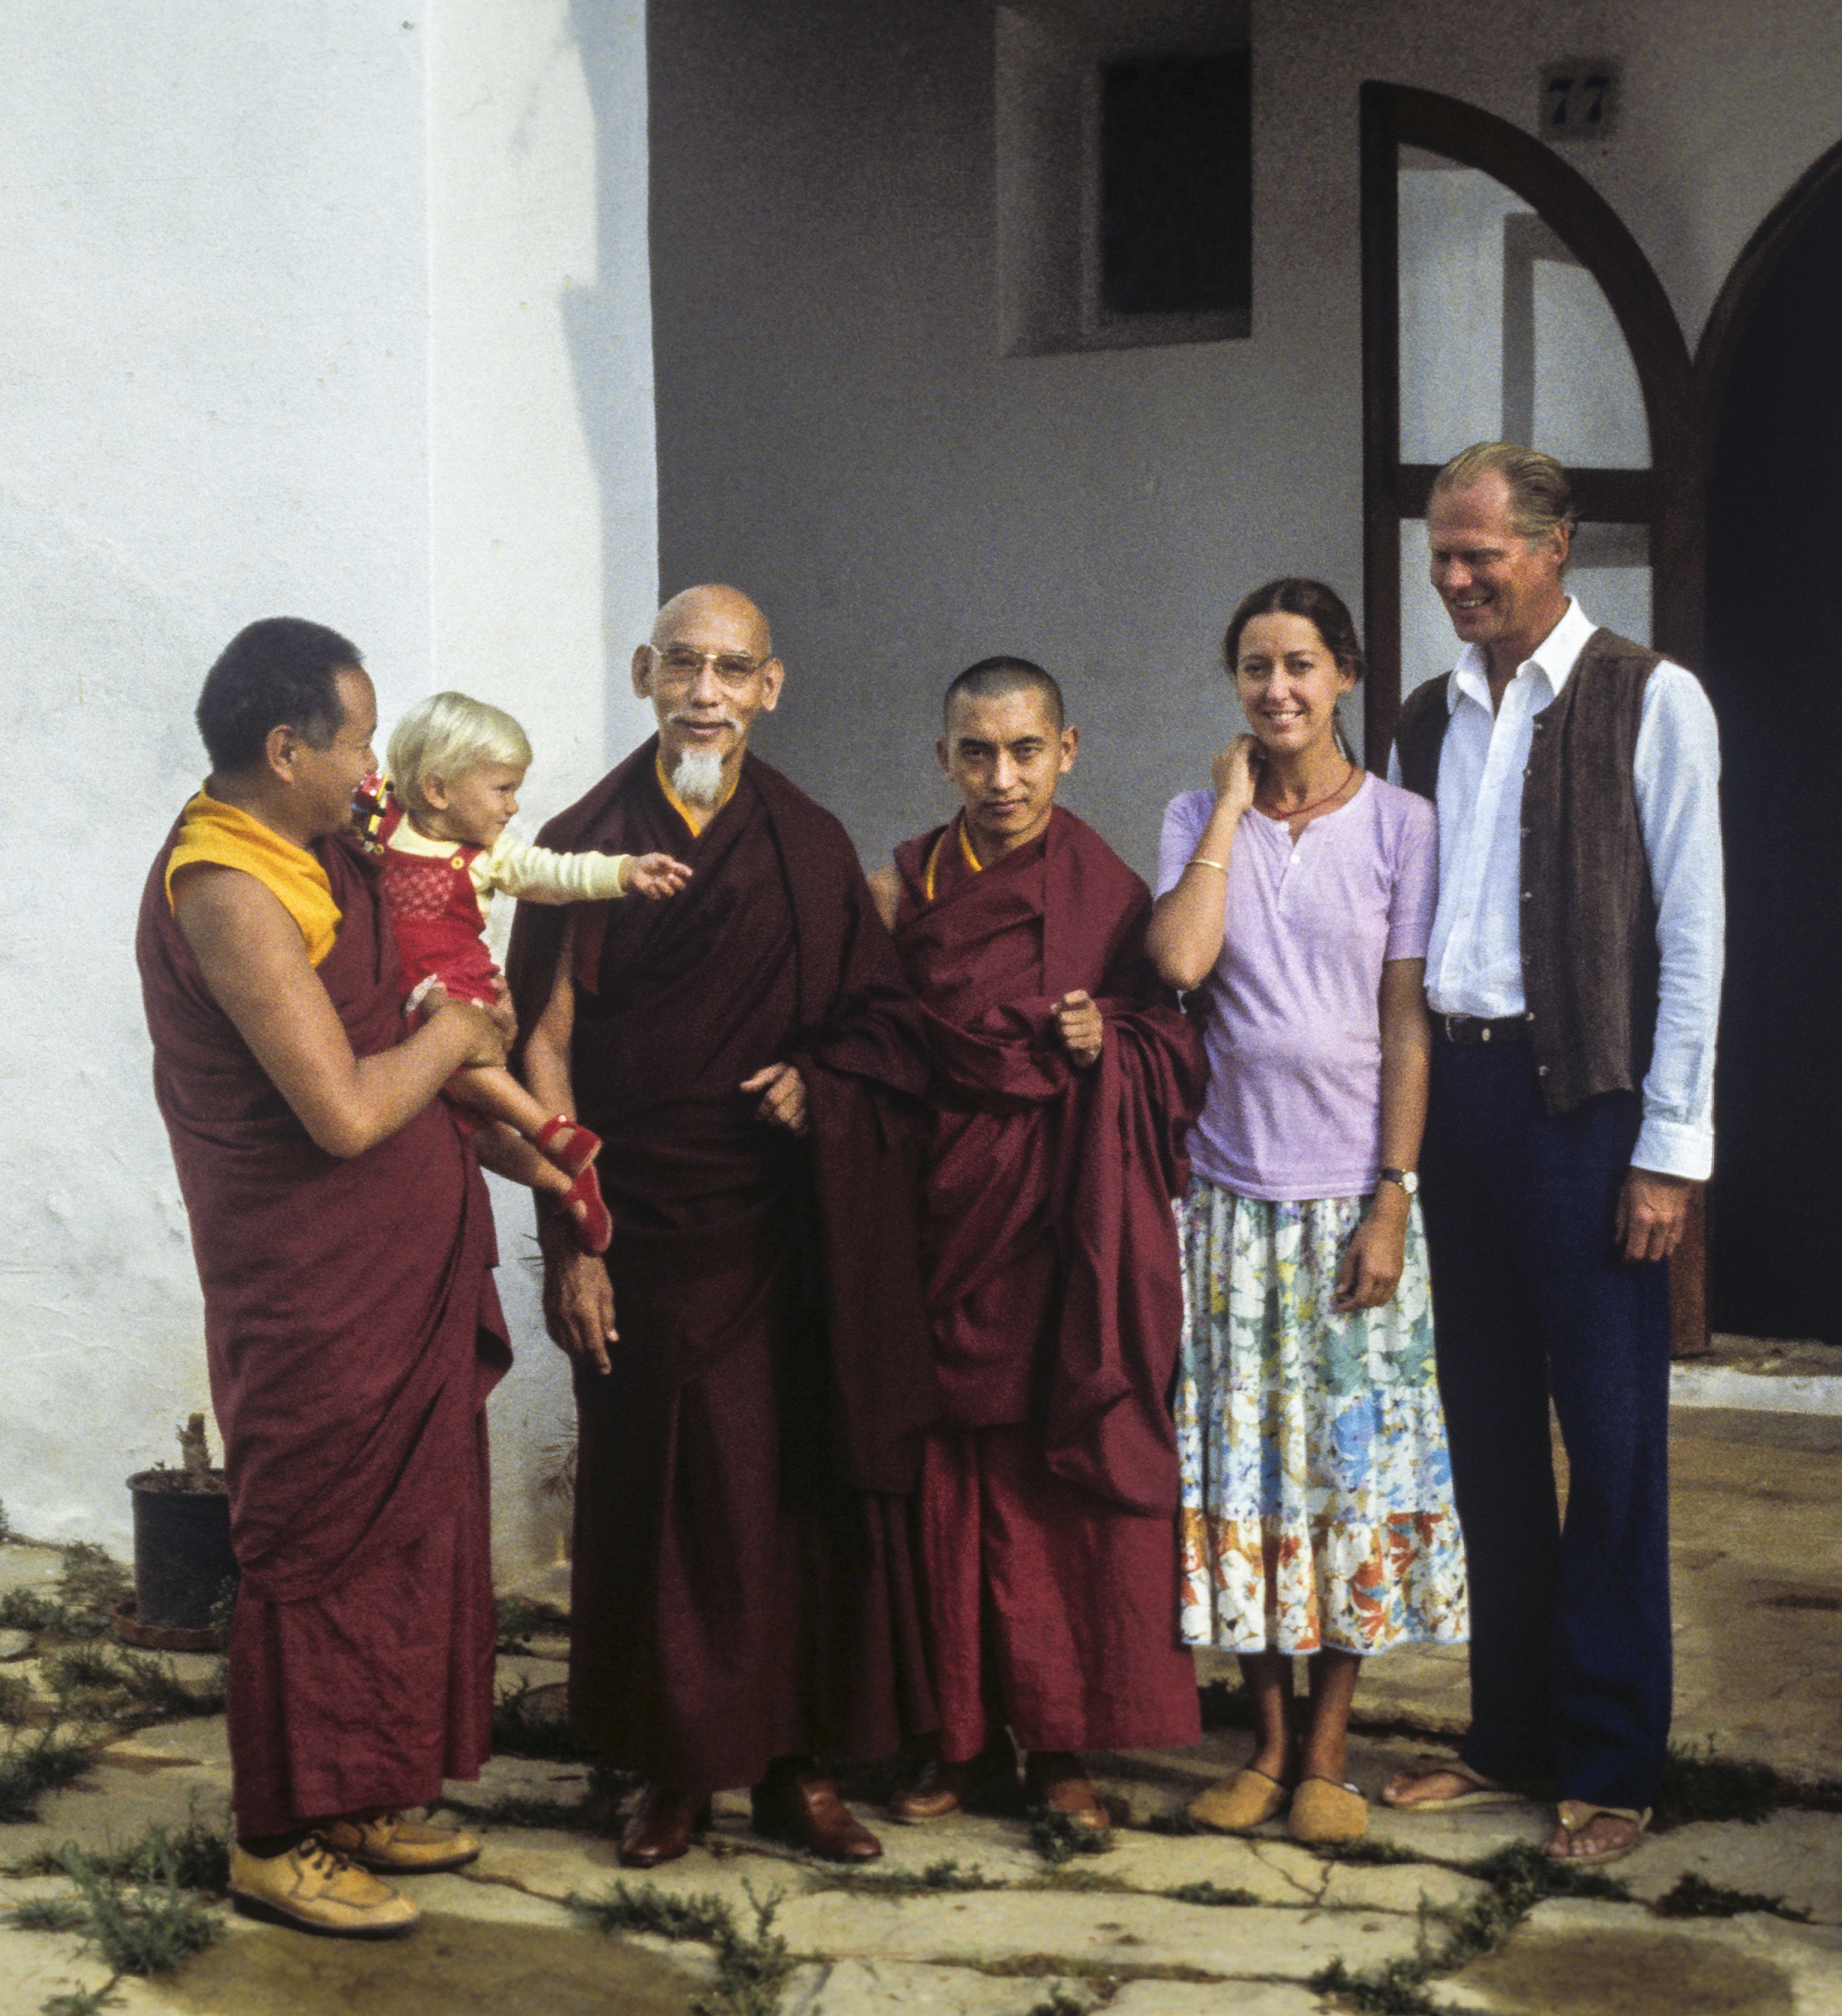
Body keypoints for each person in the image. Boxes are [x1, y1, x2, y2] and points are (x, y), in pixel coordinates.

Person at [504, 584, 941, 1869]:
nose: (705, 690)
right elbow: (543, 1046)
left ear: (771, 684)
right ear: (644, 671)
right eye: (682, 664)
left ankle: (794, 1767)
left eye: (731, 668)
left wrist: (825, 1082)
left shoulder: (805, 842)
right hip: (638, 1221)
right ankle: (671, 1769)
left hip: (778, 1221)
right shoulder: (583, 840)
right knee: (656, 1497)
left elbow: (877, 1021)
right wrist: (575, 1241)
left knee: (786, 1495)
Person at [136, 619, 514, 1938]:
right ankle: (276, 1833)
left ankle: (360, 1790)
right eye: (355, 740)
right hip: (315, 1278)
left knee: (404, 1536)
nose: (374, 766)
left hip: (394, 1259)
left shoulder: (313, 847)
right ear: (283, 747)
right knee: (320, 1536)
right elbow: (345, 1112)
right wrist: (461, 1028)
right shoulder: (227, 887)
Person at [1383, 443, 1723, 1865]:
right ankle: (1507, 1733)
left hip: (1583, 1112)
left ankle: (1607, 1754)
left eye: (1483, 555)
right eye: (1441, 558)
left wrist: (1668, 1150)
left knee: (1610, 1436)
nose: (1458, 579)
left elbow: (1696, 932)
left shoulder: (1651, 698)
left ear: (1554, 546)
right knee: (1485, 1442)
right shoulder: (1419, 718)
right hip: (1455, 1110)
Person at [1147, 580, 1465, 1846]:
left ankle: (1329, 1751)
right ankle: (1263, 1743)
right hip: (1225, 1198)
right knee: (1245, 1474)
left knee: (1344, 1474)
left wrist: (1390, 1195)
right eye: (1252, 667)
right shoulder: (1191, 812)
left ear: (1344, 673)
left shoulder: (1401, 824)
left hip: (1348, 1200)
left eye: (1298, 665)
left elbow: (1405, 1022)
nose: (1274, 690)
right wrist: (1227, 806)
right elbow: (1177, 963)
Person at [868, 659, 1206, 1830]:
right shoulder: (904, 885)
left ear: (1068, 749)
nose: (1000, 777)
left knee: (1049, 1486)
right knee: (942, 1494)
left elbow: (1177, 1049)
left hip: (1052, 1229)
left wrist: (1106, 1036)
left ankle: (1062, 1746)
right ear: (945, 757)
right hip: (935, 1216)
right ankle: (952, 1740)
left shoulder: (1109, 894)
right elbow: (865, 1038)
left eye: (1024, 750)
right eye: (976, 752)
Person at [368, 690, 691, 1252]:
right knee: (467, 1130)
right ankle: (567, 1184)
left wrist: (625, 871)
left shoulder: (490, 856)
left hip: (456, 993)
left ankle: (552, 1132)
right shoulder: (379, 819)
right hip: (398, 1003)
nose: (513, 807)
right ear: (437, 789)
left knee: (450, 1061)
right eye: (503, 789)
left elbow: (555, 874)